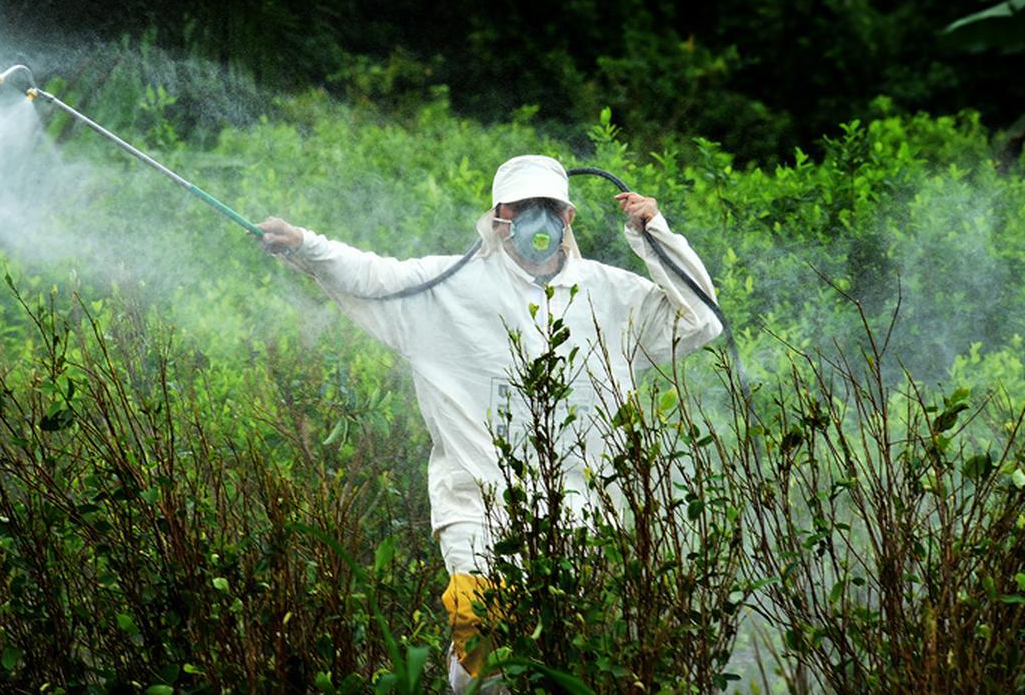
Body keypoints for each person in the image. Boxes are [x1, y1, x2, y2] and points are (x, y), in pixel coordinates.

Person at [257, 154, 722, 693]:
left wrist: (654, 236)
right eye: (522, 207)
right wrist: (304, 245)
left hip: (584, 510)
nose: (536, 220)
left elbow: (701, 320)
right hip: (475, 504)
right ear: (499, 216)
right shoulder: (448, 286)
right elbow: (372, 275)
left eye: (547, 207)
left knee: (572, 658)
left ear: (568, 218)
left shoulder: (610, 293)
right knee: (485, 642)